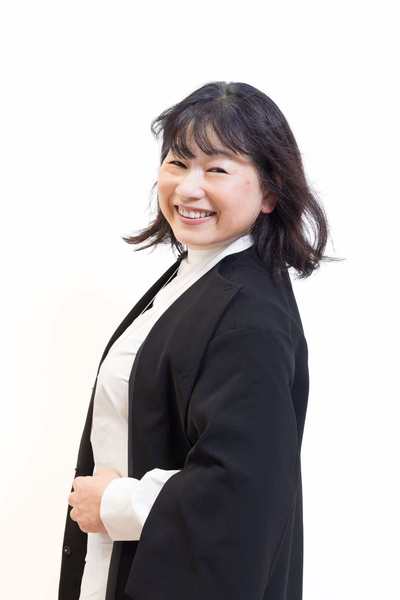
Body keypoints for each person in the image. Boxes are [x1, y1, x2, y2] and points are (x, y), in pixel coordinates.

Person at [58, 81, 339, 600]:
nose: (188, 188)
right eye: (178, 162)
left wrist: (113, 503)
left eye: (216, 170)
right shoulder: (198, 274)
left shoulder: (249, 315)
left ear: (270, 192)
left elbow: (241, 493)